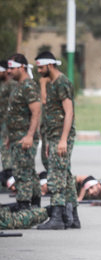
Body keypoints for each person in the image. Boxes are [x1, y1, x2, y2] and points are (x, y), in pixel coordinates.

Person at [35, 51, 80, 230]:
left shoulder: (62, 82)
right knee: (66, 175)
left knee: (56, 175)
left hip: (62, 136)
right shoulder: (51, 82)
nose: (38, 70)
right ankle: (73, 217)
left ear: (50, 65)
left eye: (41, 67)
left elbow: (69, 112)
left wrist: (62, 140)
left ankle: (58, 217)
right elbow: (47, 105)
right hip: (53, 136)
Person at [6, 54, 42, 210]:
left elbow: (36, 111)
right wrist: (9, 137)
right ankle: (34, 201)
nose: (9, 71)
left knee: (23, 171)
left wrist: (29, 135)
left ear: (22, 67)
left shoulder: (28, 86)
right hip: (16, 137)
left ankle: (24, 205)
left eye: (12, 68)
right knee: (27, 170)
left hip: (25, 138)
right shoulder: (19, 86)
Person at [0, 60, 17, 183]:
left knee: (6, 147)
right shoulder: (3, 84)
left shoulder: (12, 85)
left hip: (9, 121)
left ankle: (9, 174)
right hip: (3, 121)